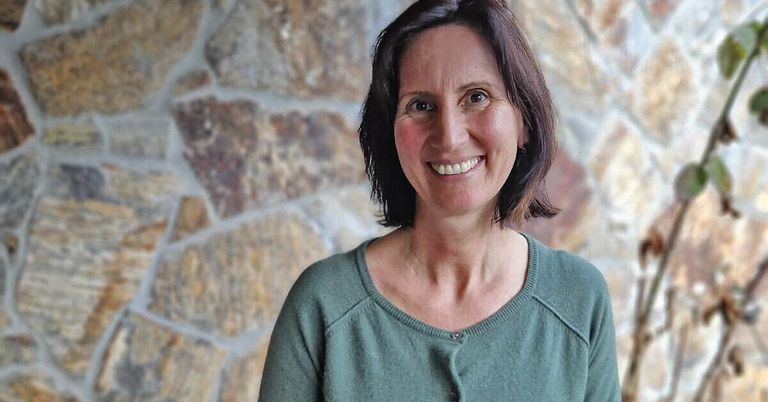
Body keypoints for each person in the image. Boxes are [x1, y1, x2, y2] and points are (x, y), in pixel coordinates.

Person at [259, 0, 620, 400]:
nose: (449, 136)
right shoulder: (324, 305)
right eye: (421, 105)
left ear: (524, 122)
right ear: (391, 133)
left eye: (477, 97)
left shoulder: (578, 298)